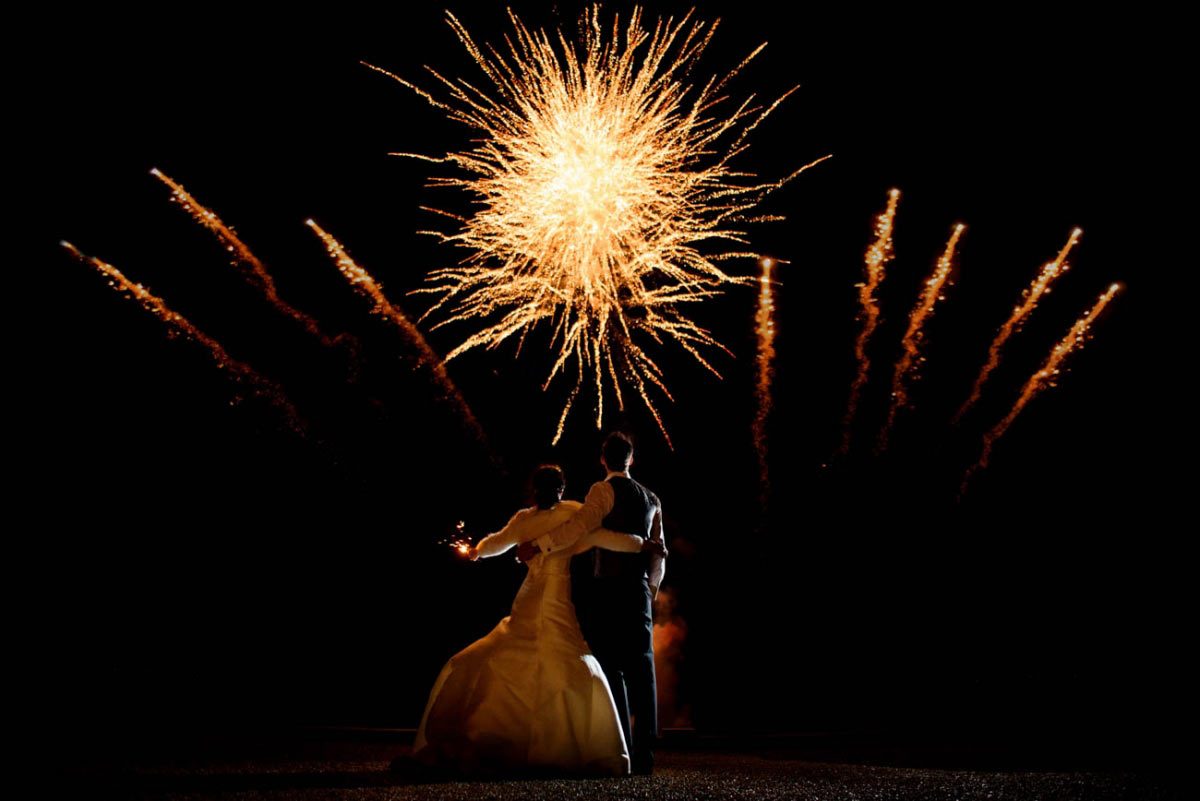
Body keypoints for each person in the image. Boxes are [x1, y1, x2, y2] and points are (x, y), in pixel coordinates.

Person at [411, 465, 665, 777]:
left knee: (509, 654)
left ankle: (512, 735)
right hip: (553, 597)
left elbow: (497, 542)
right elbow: (603, 537)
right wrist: (642, 544)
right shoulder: (571, 513)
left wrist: (476, 552)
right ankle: (559, 742)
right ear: (561, 489)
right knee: (563, 661)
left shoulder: (525, 520)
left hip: (533, 596)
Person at [515, 432, 665, 776]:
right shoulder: (652, 497)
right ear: (631, 459)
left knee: (612, 668)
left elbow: (580, 527)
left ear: (603, 460)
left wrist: (540, 545)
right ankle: (646, 756)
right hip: (638, 589)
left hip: (609, 589)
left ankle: (621, 748)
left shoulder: (601, 491)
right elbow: (659, 552)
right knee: (644, 671)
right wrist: (651, 591)